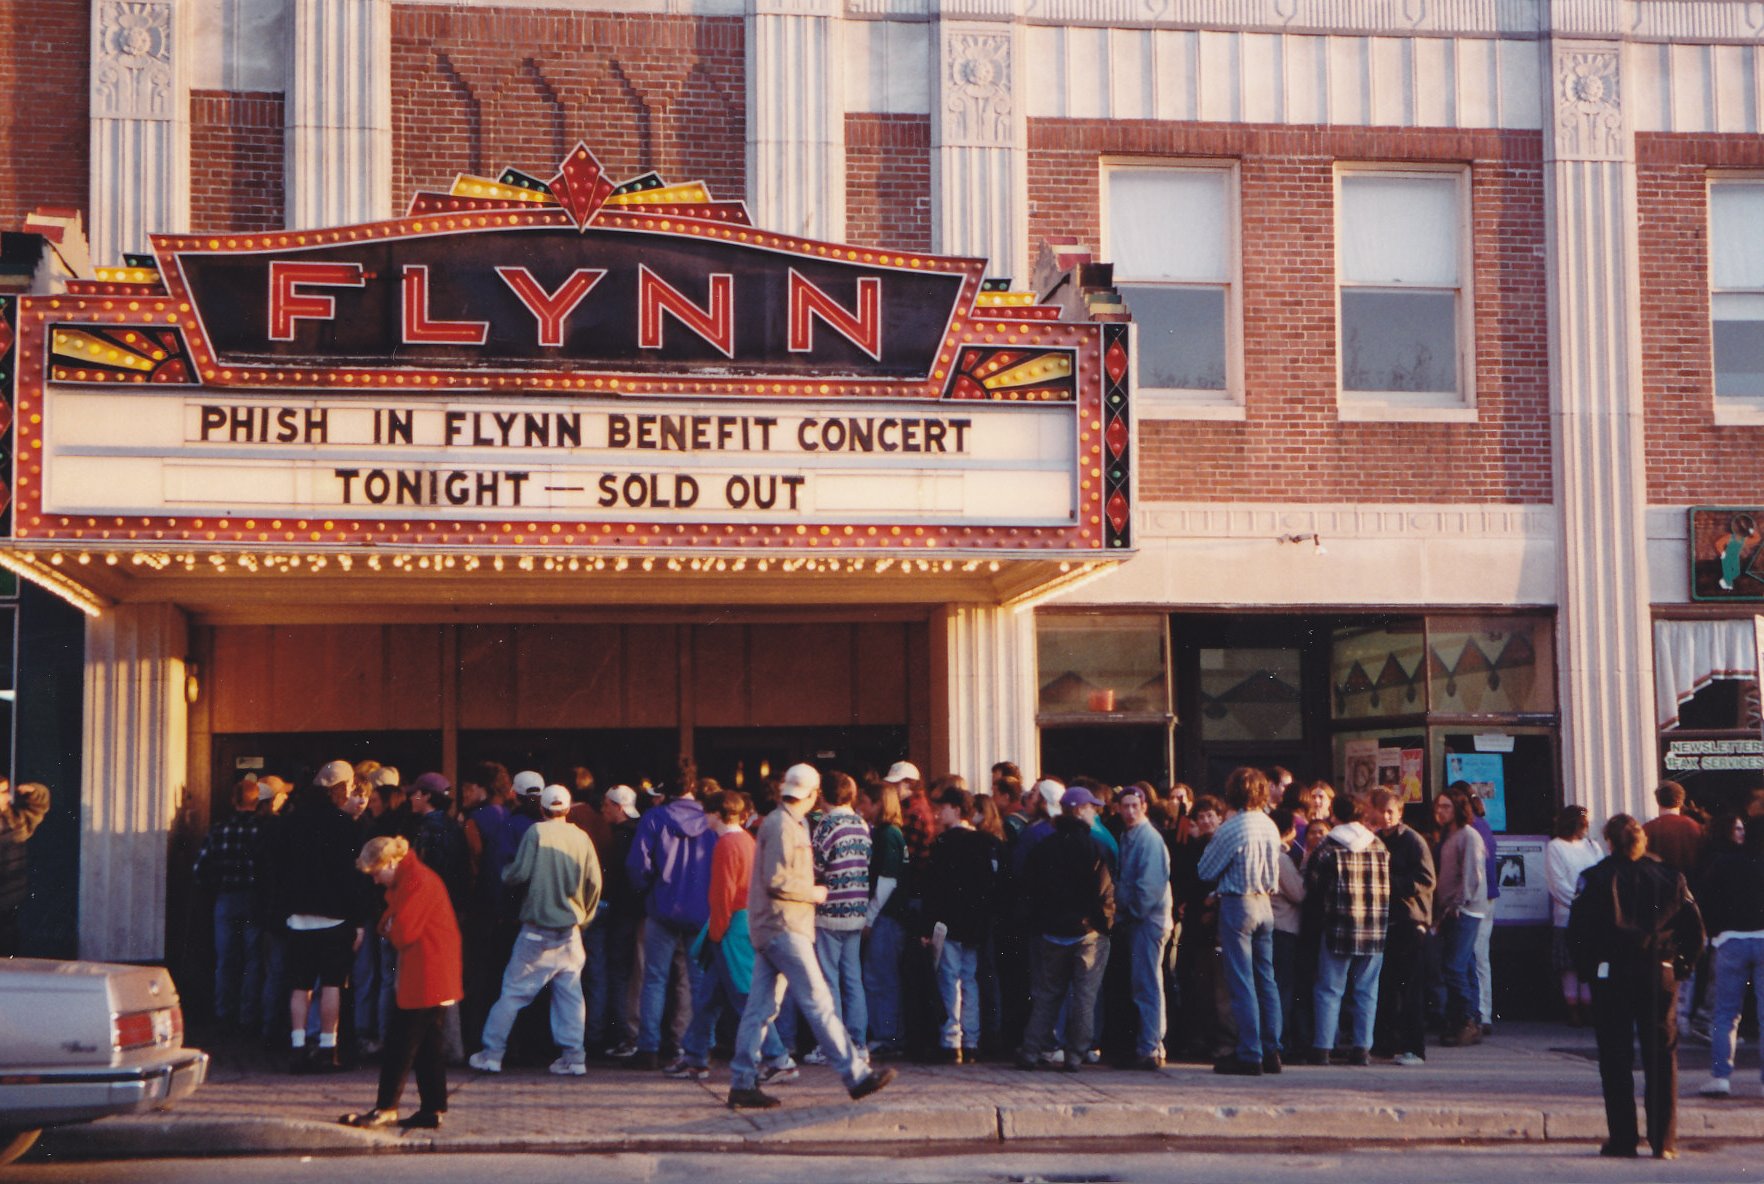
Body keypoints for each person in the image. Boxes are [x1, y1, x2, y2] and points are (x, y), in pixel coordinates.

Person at [726, 764, 896, 1109]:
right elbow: (778, 881)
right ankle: (855, 1076)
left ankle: (742, 1081)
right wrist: (814, 893)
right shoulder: (785, 826)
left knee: (760, 1009)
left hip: (773, 927)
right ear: (814, 793)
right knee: (818, 1001)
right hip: (785, 927)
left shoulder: (782, 822)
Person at [1569, 814, 1705, 1160]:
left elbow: (1578, 932)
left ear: (1610, 841)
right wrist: (1682, 965)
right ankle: (1665, 1141)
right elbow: (1694, 928)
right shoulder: (1671, 877)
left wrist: (1587, 971)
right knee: (1661, 1055)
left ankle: (1623, 1139)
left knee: (1615, 1059)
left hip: (1611, 972)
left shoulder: (1595, 878)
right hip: (1658, 971)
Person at [468, 785, 603, 1076]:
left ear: (542, 808)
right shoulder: (581, 837)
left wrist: (502, 873)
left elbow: (519, 873)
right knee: (570, 996)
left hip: (535, 930)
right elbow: (594, 883)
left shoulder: (536, 833)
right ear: (567, 809)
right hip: (570, 930)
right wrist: (585, 918)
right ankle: (574, 1057)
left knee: (513, 993)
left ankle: (492, 1054)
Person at [339, 835, 462, 1131]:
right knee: (427, 1045)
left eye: (377, 873)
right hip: (433, 970)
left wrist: (390, 924)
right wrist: (391, 923)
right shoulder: (414, 878)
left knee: (401, 1044)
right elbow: (393, 925)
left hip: (426, 973)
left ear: (391, 862)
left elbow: (401, 933)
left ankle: (386, 1108)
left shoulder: (415, 881)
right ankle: (432, 1108)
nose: (376, 881)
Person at [670, 791, 790, 1080]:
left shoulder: (725, 844)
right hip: (743, 923)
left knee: (742, 996)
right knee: (712, 995)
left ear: (716, 814)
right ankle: (696, 1054)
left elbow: (722, 894)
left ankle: (778, 1058)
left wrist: (715, 933)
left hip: (729, 927)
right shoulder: (747, 840)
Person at [1015, 785, 1115, 1073]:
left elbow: (1029, 890)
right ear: (1080, 810)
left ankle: (1032, 1050)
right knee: (1085, 996)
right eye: (1091, 808)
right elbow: (1105, 893)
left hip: (1051, 932)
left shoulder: (1044, 846)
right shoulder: (1095, 847)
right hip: (1087, 933)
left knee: (1048, 995)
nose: (1094, 812)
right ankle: (1075, 1054)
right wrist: (1105, 926)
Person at [625, 771, 717, 1070]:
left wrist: (647, 888)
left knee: (654, 978)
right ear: (693, 787)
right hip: (700, 909)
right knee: (696, 981)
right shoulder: (709, 820)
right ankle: (695, 1045)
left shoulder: (654, 818)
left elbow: (638, 865)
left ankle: (648, 1047)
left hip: (663, 906)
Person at [1197, 767, 1285, 1076]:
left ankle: (1249, 1053)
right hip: (1266, 902)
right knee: (1266, 979)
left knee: (1241, 980)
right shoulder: (1269, 825)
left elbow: (1205, 870)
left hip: (1238, 902)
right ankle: (1272, 1049)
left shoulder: (1231, 828)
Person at [1304, 792, 1390, 1066]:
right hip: (1374, 928)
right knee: (1367, 989)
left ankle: (1323, 1047)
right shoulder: (1378, 846)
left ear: (1334, 816)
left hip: (1338, 927)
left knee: (1330, 988)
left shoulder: (1328, 848)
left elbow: (1313, 885)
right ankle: (1362, 1047)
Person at [922, 785, 1000, 1063]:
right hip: (976, 923)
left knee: (949, 979)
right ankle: (972, 1039)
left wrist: (928, 925)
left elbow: (934, 889)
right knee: (970, 980)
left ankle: (950, 1038)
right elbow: (992, 886)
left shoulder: (944, 844)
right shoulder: (987, 842)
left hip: (950, 922)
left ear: (955, 810)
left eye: (942, 808)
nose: (938, 813)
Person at [1696, 814, 1764, 1098]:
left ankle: (1721, 1076)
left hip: (1730, 940)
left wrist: (1714, 934)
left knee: (1725, 1012)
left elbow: (1706, 899)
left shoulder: (1724, 863)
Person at [194, 776, 267, 1032]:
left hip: (226, 897)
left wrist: (216, 884)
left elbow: (200, 869)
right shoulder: (262, 829)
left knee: (226, 958)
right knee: (253, 959)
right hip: (255, 897)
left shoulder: (219, 829)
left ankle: (224, 1012)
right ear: (257, 801)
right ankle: (248, 1015)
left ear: (232, 800)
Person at [810, 771, 872, 1063]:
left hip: (830, 910)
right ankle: (858, 1043)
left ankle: (833, 1045)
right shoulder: (861, 823)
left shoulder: (826, 824)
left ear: (824, 795)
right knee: (853, 978)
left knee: (828, 979)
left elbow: (817, 866)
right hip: (856, 909)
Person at [1371, 788, 1434, 1065]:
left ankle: (1414, 1048)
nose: (1385, 818)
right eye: (1381, 812)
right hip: (1386, 920)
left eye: (1390, 812)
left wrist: (1389, 884)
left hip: (1410, 919)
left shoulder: (1412, 841)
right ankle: (1386, 1044)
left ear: (1399, 813)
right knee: (1387, 986)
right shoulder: (1375, 840)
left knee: (1410, 988)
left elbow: (1426, 879)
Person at [1115, 784, 1174, 1069]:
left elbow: (1148, 888)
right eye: (1124, 806)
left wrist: (1130, 913)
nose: (1129, 811)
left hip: (1147, 921)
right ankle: (1149, 1044)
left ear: (1144, 807)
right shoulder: (1130, 836)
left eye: (1134, 806)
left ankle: (1150, 1047)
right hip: (1140, 919)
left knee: (1147, 983)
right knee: (1145, 982)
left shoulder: (1147, 839)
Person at [860, 777, 909, 1060]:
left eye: (866, 803)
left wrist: (869, 917)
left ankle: (887, 1036)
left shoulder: (887, 834)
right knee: (882, 976)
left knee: (880, 977)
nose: (862, 808)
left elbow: (887, 881)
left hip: (886, 916)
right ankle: (888, 1034)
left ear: (879, 804)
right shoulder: (890, 833)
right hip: (888, 915)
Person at [1436, 789, 1489, 1047]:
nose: (1440, 812)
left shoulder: (1469, 836)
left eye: (1446, 807)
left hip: (1464, 909)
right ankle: (1470, 1021)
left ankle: (1466, 1018)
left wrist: (1459, 902)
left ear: (1458, 808)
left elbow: (1472, 874)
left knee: (1454, 966)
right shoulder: (1450, 835)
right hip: (1450, 908)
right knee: (1465, 965)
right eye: (1438, 807)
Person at [1545, 805, 1603, 1026]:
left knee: (1587, 963)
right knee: (1569, 965)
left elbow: (1600, 875)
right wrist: (1580, 904)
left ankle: (1589, 1007)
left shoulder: (1592, 846)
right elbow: (1557, 883)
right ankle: (1573, 1009)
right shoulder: (1556, 847)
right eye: (1582, 823)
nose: (1586, 827)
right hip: (1568, 914)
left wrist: (1592, 904)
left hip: (1591, 915)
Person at [0, 780, 50, 957]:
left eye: (6, 791)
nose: (6, 797)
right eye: (1, 793)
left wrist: (33, 791)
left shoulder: (12, 820)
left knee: (7, 949)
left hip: (9, 903)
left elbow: (38, 806)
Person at [1644, 782, 1704, 875]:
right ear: (1681, 800)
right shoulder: (1696, 827)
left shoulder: (1647, 829)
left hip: (1659, 884)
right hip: (1693, 884)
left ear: (1657, 801)